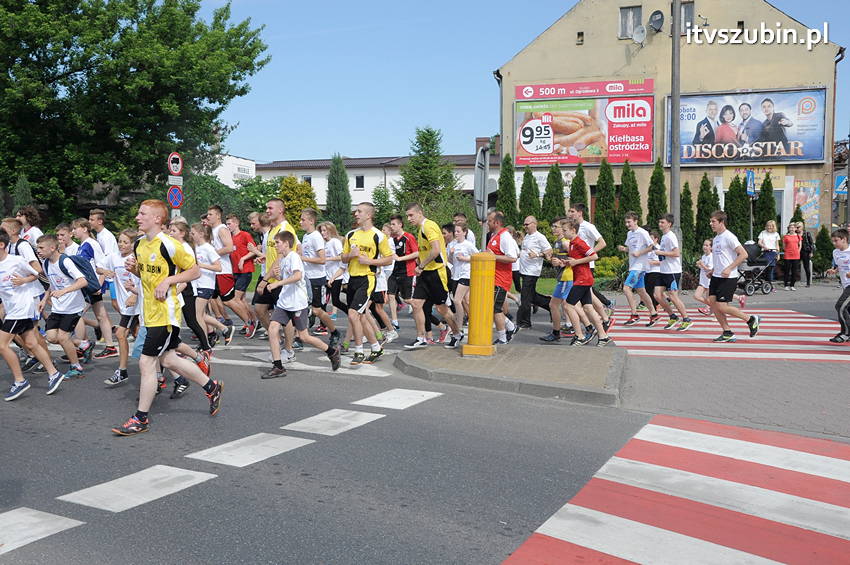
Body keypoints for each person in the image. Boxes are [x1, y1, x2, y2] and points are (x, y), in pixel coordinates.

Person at [111, 199, 222, 436]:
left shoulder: (171, 245)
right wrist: (135, 272)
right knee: (170, 360)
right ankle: (212, 387)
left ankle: (140, 419)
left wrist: (169, 280)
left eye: (142, 214)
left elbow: (195, 271)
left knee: (146, 361)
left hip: (166, 313)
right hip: (148, 312)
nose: (138, 217)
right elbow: (146, 274)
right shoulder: (140, 244)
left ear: (157, 219)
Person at [263, 231, 341, 378]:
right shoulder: (285, 259)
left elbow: (298, 276)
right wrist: (277, 275)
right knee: (273, 329)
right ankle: (278, 366)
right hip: (284, 302)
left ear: (286, 243)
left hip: (297, 303)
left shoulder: (294, 257)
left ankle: (331, 352)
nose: (275, 246)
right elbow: (287, 277)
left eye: (277, 243)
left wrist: (277, 282)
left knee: (304, 337)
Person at [0, 230, 65, 400]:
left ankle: (20, 381)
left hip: (22, 307)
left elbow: (36, 274)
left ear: (1, 245)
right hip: (13, 307)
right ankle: (53, 373)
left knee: (2, 345)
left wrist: (23, 281)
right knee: (31, 342)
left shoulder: (16, 261)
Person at [403, 203, 464, 350]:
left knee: (442, 308)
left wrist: (421, 265)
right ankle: (420, 337)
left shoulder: (428, 226)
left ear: (420, 213)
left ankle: (456, 334)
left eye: (411, 215)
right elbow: (427, 250)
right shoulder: (421, 229)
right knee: (416, 304)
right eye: (407, 216)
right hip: (426, 273)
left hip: (437, 273)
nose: (409, 219)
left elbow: (436, 250)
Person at [340, 202, 394, 364]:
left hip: (368, 279)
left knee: (352, 314)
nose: (356, 214)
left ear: (368, 215)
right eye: (356, 211)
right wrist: (351, 255)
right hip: (352, 279)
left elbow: (389, 258)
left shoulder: (378, 235)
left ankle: (358, 350)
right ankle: (376, 348)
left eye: (359, 211)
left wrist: (370, 260)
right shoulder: (351, 235)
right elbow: (343, 258)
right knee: (361, 317)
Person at [254, 199, 300, 362]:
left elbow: (281, 257)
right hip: (270, 276)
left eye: (270, 208)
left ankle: (289, 350)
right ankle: (277, 339)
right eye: (266, 207)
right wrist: (264, 258)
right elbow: (275, 253)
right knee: (259, 309)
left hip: (280, 280)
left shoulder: (285, 229)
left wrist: (264, 280)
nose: (267, 211)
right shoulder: (273, 230)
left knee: (284, 317)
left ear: (280, 210)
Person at [708, 211, 760, 342]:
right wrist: (713, 270)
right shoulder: (716, 238)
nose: (711, 224)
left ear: (721, 222)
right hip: (716, 276)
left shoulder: (729, 237)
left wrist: (729, 268)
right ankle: (727, 332)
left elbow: (743, 254)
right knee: (713, 304)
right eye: (711, 221)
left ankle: (751, 319)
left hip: (728, 277)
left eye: (713, 221)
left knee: (722, 306)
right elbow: (721, 258)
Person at [561, 218, 612, 346]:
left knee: (568, 305)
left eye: (565, 230)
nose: (563, 232)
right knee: (588, 308)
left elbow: (594, 256)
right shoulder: (572, 243)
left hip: (583, 279)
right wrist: (566, 262)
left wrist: (576, 262)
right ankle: (603, 336)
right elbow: (577, 259)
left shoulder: (579, 242)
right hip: (582, 278)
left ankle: (580, 336)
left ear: (573, 230)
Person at [72, 218, 117, 360]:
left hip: (92, 285)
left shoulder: (92, 244)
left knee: (76, 313)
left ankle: (82, 346)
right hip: (87, 285)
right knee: (101, 315)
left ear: (84, 229)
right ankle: (109, 346)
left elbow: (100, 264)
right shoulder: (82, 245)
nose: (73, 231)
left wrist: (99, 284)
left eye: (75, 228)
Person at [101, 229, 141, 387]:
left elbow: (143, 279)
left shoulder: (135, 259)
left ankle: (124, 370)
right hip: (126, 306)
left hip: (136, 305)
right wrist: (105, 271)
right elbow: (99, 267)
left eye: (125, 242)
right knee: (135, 335)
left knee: (121, 333)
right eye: (120, 241)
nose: (121, 244)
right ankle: (124, 370)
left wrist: (135, 295)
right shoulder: (113, 257)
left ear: (133, 245)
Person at [207, 205, 253, 333]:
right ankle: (213, 327)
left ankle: (249, 322)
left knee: (228, 300)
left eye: (210, 214)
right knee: (209, 298)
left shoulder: (222, 229)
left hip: (223, 270)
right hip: (215, 270)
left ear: (218, 215)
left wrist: (212, 254)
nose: (208, 217)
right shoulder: (213, 230)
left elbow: (229, 247)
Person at [568, 203, 613, 326]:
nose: (569, 214)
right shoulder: (572, 228)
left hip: (587, 265)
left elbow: (602, 243)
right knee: (589, 297)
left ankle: (604, 316)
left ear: (580, 213)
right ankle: (605, 316)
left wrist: (588, 254)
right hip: (579, 266)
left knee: (587, 297)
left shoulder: (588, 227)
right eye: (569, 211)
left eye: (572, 211)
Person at [299, 208, 340, 344]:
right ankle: (299, 338)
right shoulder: (306, 236)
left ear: (311, 221)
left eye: (303, 220)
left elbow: (322, 259)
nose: (300, 222)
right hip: (306, 278)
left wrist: (303, 259)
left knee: (318, 310)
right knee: (300, 308)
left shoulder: (316, 236)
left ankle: (334, 331)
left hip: (317, 279)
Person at [485, 212, 519, 345]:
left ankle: (503, 338)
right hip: (492, 278)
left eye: (489, 221)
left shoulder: (505, 237)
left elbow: (512, 257)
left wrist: (493, 257)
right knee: (491, 308)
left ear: (496, 222)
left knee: (495, 309)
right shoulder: (494, 236)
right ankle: (511, 327)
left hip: (501, 279)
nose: (487, 223)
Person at [655, 214, 693, 330]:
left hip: (672, 271)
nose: (660, 224)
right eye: (660, 222)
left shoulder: (671, 236)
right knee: (657, 295)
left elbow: (676, 253)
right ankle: (672, 316)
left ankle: (686, 318)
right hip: (663, 270)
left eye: (662, 222)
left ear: (669, 224)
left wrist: (661, 253)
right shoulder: (664, 236)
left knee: (672, 296)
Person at [618, 212, 657, 326]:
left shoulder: (642, 232)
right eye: (626, 222)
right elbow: (631, 249)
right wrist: (624, 249)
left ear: (635, 221)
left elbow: (651, 246)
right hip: (633, 266)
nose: (627, 224)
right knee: (641, 292)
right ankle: (654, 314)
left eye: (629, 222)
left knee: (626, 288)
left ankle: (634, 314)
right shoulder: (629, 234)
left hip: (639, 267)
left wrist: (640, 252)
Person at [516, 216, 552, 329]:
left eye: (527, 224)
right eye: (524, 224)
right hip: (524, 270)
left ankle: (525, 321)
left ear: (534, 224)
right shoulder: (527, 236)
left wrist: (537, 255)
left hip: (532, 271)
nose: (525, 226)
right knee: (531, 296)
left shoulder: (540, 237)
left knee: (525, 296)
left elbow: (549, 251)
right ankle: (549, 304)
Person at [226, 213, 257, 338]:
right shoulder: (229, 238)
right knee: (243, 300)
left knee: (236, 298)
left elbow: (253, 249)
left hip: (245, 270)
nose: (228, 226)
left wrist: (243, 259)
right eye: (227, 224)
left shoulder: (245, 235)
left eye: (230, 224)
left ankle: (249, 322)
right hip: (235, 272)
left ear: (236, 223)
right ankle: (253, 320)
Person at [387, 214, 418, 331]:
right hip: (395, 272)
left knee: (407, 299)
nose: (392, 226)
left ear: (400, 225)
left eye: (394, 224)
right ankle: (394, 321)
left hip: (407, 271)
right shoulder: (393, 240)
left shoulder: (409, 237)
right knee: (390, 295)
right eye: (391, 224)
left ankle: (421, 312)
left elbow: (416, 253)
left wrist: (400, 258)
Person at [89, 208, 120, 312]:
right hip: (109, 274)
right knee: (115, 303)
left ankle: (132, 326)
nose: (89, 222)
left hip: (113, 275)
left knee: (116, 304)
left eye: (92, 219)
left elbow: (106, 259)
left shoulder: (106, 236)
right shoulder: (99, 234)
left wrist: (100, 281)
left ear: (100, 221)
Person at [447, 224, 477, 328]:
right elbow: (450, 261)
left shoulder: (468, 245)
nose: (456, 233)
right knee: (465, 301)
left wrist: (465, 259)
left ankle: (458, 325)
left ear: (464, 232)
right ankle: (470, 320)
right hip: (455, 275)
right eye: (455, 231)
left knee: (456, 300)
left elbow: (477, 256)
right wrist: (451, 254)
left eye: (458, 231)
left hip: (466, 274)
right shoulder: (453, 245)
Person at [825, 229, 850, 343]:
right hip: (845, 284)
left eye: (836, 241)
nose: (834, 243)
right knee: (847, 309)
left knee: (840, 306)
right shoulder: (836, 252)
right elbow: (840, 265)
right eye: (833, 241)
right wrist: (834, 270)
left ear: (844, 239)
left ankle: (845, 334)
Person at [695, 239, 714, 316]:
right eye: (704, 245)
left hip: (709, 280)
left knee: (709, 298)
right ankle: (713, 308)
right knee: (696, 296)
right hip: (703, 280)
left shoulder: (711, 256)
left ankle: (711, 309)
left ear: (711, 248)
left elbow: (710, 269)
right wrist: (699, 265)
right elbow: (703, 268)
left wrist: (702, 264)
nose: (704, 247)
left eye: (707, 245)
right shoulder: (703, 256)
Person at [782, 223, 801, 291]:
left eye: (793, 228)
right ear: (788, 229)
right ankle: (786, 285)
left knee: (794, 271)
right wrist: (787, 251)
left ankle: (792, 285)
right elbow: (784, 246)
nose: (792, 229)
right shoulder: (785, 236)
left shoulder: (798, 236)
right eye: (791, 228)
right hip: (788, 255)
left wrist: (798, 251)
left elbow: (800, 245)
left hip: (796, 256)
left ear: (795, 229)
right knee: (787, 271)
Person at [798, 222, 814, 287]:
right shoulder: (795, 234)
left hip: (805, 251)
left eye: (799, 227)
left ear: (802, 227)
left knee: (806, 267)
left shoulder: (807, 234)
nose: (798, 228)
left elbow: (811, 243)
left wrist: (811, 252)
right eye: (797, 227)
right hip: (796, 252)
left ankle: (808, 282)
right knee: (794, 266)